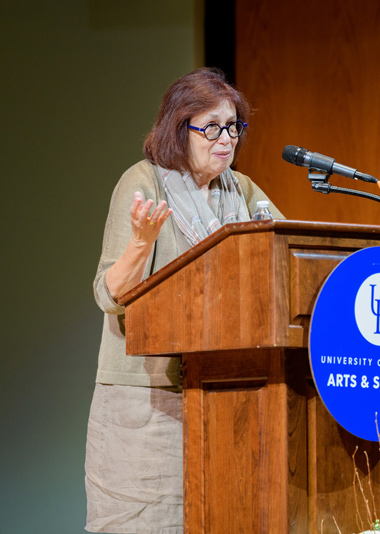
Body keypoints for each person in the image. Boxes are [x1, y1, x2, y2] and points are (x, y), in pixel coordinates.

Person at [87, 68, 284, 533]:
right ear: (181, 129)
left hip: (226, 398)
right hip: (148, 399)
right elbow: (108, 294)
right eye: (211, 127)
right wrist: (141, 241)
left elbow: (286, 259)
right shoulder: (144, 183)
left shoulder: (244, 192)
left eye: (233, 126)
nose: (226, 139)